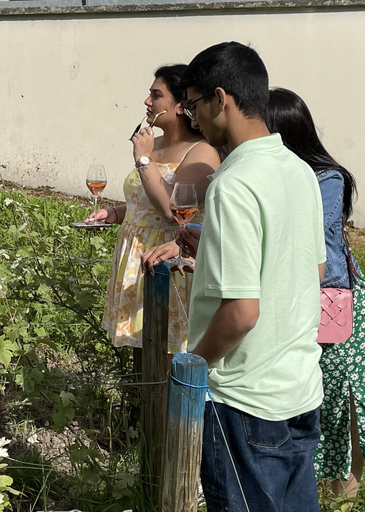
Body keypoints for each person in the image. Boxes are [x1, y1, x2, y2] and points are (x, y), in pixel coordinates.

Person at [182, 42, 325, 512]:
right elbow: (311, 269)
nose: (193, 119)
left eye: (194, 105)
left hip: (244, 402)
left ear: (220, 99)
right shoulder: (300, 171)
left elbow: (241, 312)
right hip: (300, 388)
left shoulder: (234, 183)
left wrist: (190, 370)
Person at [264, 88, 362, 497]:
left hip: (331, 302)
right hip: (294, 299)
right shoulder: (274, 173)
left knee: (341, 397)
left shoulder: (327, 178)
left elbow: (314, 247)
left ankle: (345, 490)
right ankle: (316, 485)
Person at [85, 65, 219, 353]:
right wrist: (117, 213)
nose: (147, 102)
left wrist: (144, 161)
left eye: (156, 95)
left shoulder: (201, 151)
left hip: (166, 261)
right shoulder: (152, 144)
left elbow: (173, 210)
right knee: (141, 351)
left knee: (165, 351)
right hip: (133, 256)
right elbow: (146, 199)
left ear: (181, 106)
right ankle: (141, 399)